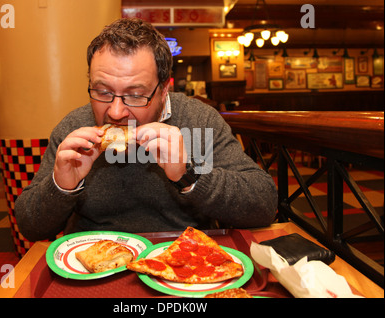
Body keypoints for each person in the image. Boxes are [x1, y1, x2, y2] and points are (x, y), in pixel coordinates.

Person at [14, 18, 277, 242]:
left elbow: (264, 205)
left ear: (164, 90)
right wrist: (62, 187)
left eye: (136, 95)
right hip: (93, 265)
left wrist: (190, 174)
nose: (116, 112)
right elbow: (31, 227)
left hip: (184, 262)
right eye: (102, 92)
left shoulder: (199, 121)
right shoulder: (74, 127)